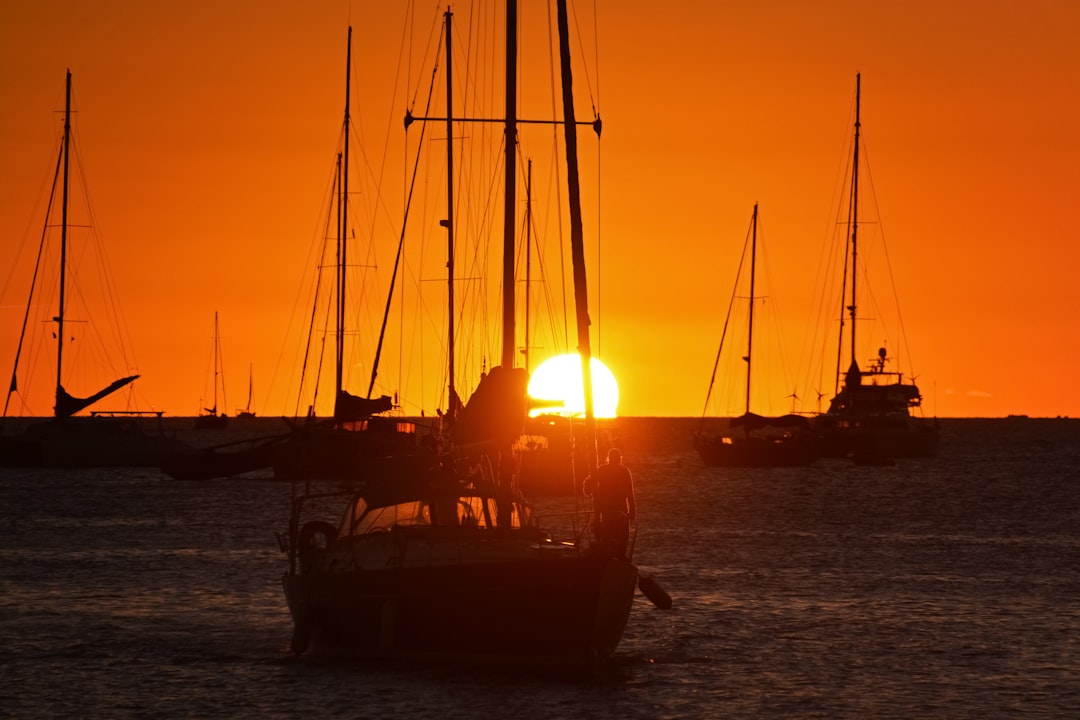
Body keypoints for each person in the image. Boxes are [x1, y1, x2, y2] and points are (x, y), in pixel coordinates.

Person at [584, 447, 636, 559]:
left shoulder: (619, 471)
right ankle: (617, 557)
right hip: (608, 512)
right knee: (614, 537)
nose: (615, 461)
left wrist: (632, 512)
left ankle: (618, 557)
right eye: (614, 458)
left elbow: (630, 493)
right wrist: (632, 512)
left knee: (617, 538)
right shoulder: (619, 471)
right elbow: (588, 483)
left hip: (615, 511)